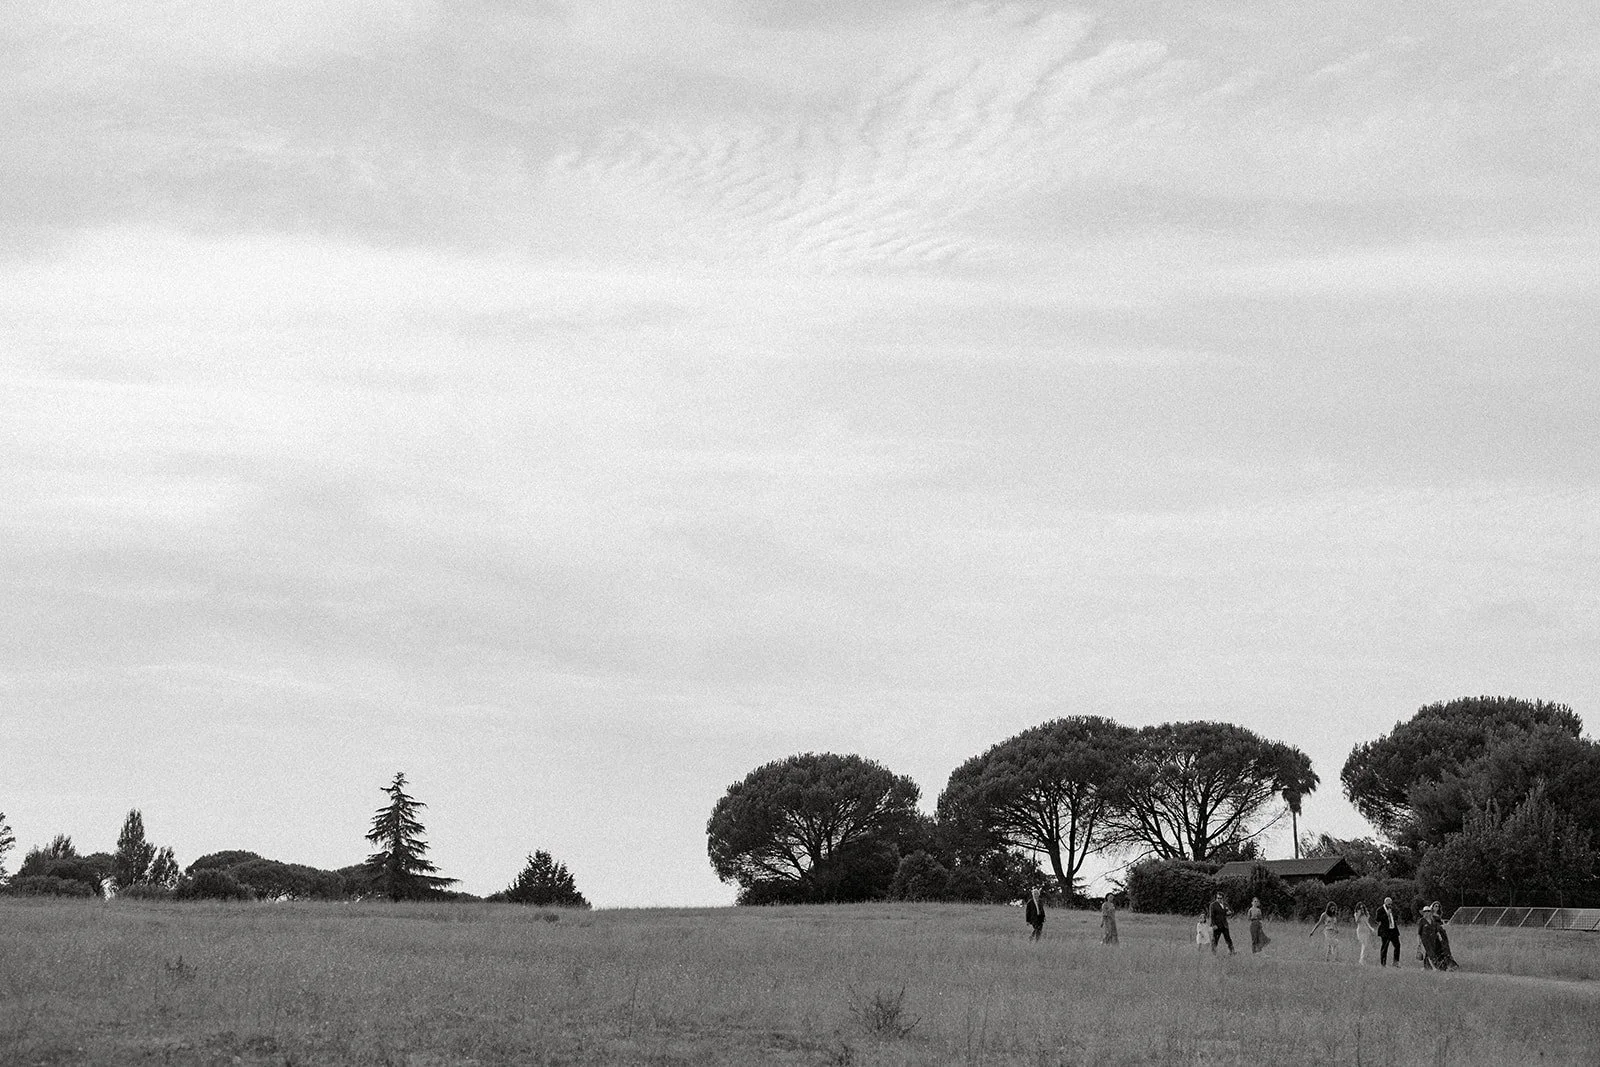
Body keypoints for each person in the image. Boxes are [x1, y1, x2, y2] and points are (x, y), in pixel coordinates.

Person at [1430, 901, 1459, 971]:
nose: (1437, 907)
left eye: (1438, 906)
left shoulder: (1438, 915)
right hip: (1436, 933)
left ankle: (1449, 964)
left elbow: (1441, 924)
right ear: (1432, 907)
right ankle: (1439, 965)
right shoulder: (1431, 916)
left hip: (1442, 932)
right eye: (1435, 906)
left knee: (1445, 947)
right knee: (1438, 948)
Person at [1375, 896, 1402, 967]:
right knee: (1385, 947)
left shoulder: (1392, 909)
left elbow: (1396, 917)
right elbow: (1377, 919)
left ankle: (1396, 962)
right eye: (1388, 904)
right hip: (1385, 931)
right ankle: (1383, 963)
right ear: (1385, 903)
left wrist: (1393, 916)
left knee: (1397, 945)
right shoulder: (1380, 910)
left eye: (1391, 904)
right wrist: (1386, 914)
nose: (1390, 906)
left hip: (1393, 930)